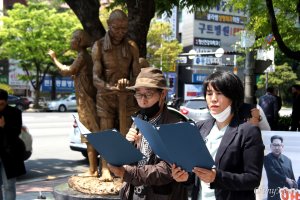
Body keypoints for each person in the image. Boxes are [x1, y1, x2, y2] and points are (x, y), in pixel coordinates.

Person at [171, 71, 265, 200]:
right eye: (209, 93)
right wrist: (186, 177)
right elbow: (196, 172)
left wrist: (217, 177)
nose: (213, 99)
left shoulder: (248, 131)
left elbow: (253, 178)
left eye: (219, 93)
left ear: (233, 97)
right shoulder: (200, 127)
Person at [107, 67, 188, 200]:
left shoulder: (175, 124)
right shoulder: (138, 119)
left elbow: (167, 169)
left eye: (148, 94)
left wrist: (127, 172)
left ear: (162, 94)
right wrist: (127, 145)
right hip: (133, 193)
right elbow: (133, 159)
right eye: (139, 95)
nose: (143, 101)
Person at [92, 9, 140, 181]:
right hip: (105, 97)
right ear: (108, 25)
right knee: (106, 135)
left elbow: (137, 75)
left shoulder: (132, 47)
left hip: (126, 98)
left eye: (124, 29)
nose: (120, 32)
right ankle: (104, 168)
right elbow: (96, 78)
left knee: (127, 134)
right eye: (116, 28)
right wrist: (111, 87)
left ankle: (124, 169)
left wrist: (129, 84)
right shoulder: (98, 46)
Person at [48, 29, 100, 177]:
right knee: (90, 134)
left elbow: (67, 70)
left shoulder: (82, 56)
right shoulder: (85, 57)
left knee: (90, 134)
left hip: (86, 100)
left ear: (79, 41)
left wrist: (54, 58)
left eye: (73, 38)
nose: (71, 41)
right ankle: (94, 169)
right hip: (85, 98)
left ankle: (93, 170)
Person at [0, 89, 26, 200]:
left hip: (9, 154)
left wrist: (4, 126)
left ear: (6, 101)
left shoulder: (15, 113)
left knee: (9, 186)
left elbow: (17, 132)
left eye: (1, 103)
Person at [264, 135, 296, 200]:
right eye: (274, 145)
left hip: (287, 196)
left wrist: (294, 185)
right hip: (274, 195)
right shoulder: (267, 158)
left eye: (278, 145)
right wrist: (286, 179)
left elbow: (292, 176)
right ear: (271, 146)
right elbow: (272, 173)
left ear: (282, 146)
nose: (276, 148)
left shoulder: (288, 160)